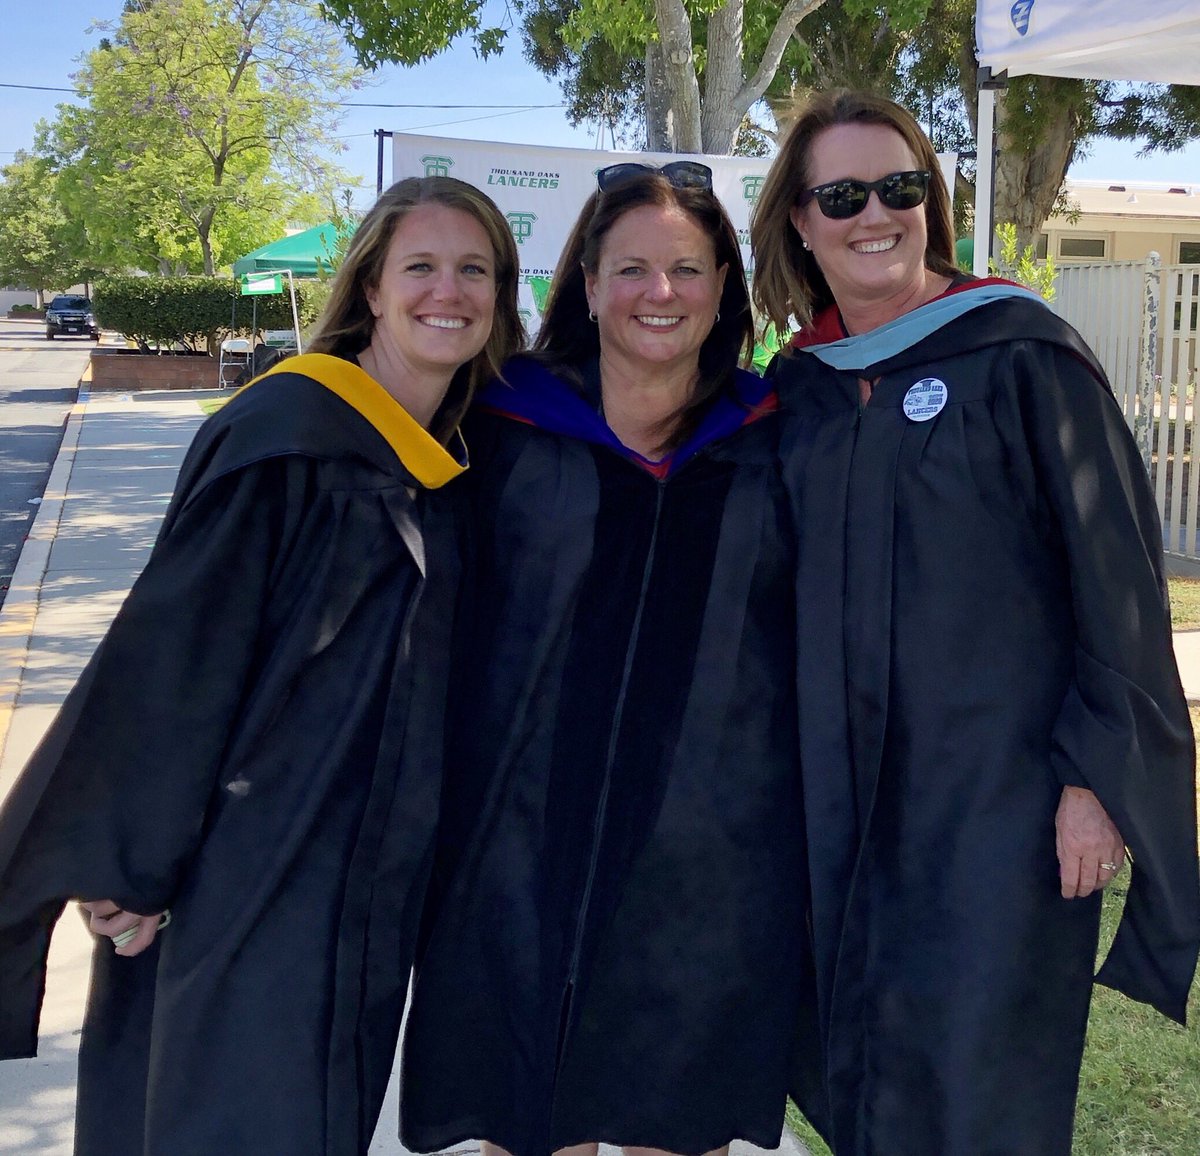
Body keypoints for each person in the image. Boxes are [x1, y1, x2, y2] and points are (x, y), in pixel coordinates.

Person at [0, 174, 524, 1156]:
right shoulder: (288, 433)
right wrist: (129, 861)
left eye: (473, 269)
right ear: (370, 287)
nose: (445, 290)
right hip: (248, 869)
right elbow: (174, 658)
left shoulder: (459, 455)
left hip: (366, 876)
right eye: (419, 266)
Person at [750, 88, 1200, 1155]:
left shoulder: (1021, 354)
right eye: (843, 194)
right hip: (838, 799)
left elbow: (1118, 579)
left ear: (932, 203)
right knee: (860, 1053)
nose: (876, 214)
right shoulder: (802, 388)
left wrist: (1094, 780)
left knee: (981, 1066)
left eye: (901, 188)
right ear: (800, 223)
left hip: (999, 803)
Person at [398, 163, 817, 1156]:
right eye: (630, 268)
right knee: (528, 1116)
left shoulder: (779, 439)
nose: (658, 293)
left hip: (707, 861)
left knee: (675, 1118)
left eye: (686, 268)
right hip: (517, 841)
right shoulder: (496, 423)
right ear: (585, 284)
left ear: (725, 286)